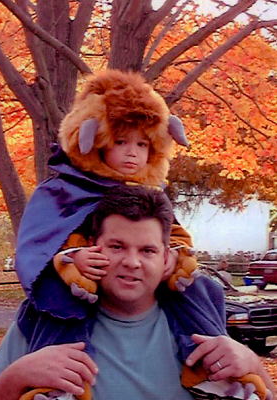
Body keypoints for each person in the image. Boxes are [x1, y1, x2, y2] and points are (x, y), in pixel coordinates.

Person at [0, 185, 275, 400]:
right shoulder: (45, 317)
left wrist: (254, 365)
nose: (132, 262)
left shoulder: (198, 320)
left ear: (167, 257)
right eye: (117, 247)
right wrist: (16, 377)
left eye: (147, 250)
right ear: (91, 246)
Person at [14, 69, 199, 325]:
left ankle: (207, 351)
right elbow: (44, 240)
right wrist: (73, 256)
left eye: (141, 144)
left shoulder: (152, 194)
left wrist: (177, 254)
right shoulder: (65, 190)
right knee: (56, 328)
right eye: (121, 142)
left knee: (201, 297)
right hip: (83, 297)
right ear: (99, 141)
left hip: (141, 300)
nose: (132, 153)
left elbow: (173, 233)